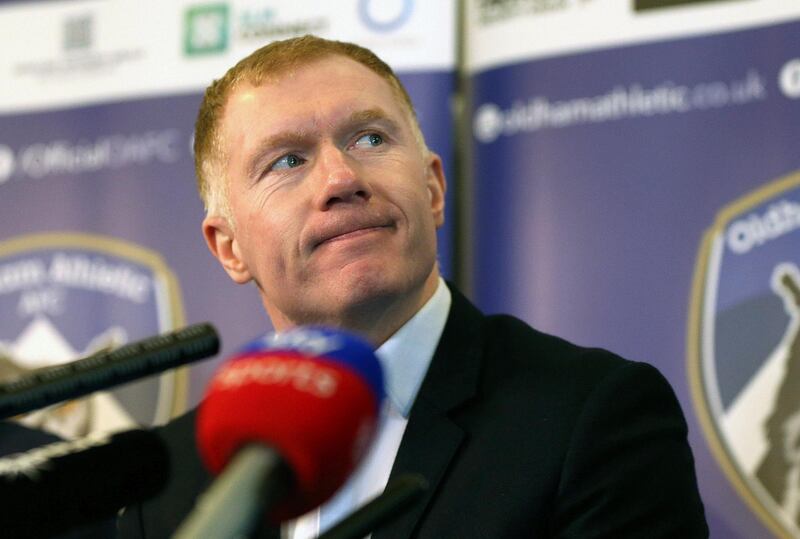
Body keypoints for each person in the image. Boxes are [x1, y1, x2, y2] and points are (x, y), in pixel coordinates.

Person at [118, 35, 708, 538]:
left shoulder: (591, 417)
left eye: (370, 139)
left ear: (431, 189)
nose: (341, 178)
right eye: (287, 161)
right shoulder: (165, 482)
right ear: (229, 247)